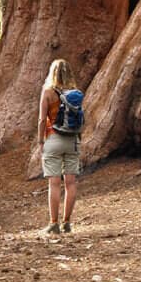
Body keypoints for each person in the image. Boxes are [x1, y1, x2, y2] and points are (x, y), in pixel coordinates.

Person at [37, 58, 81, 234]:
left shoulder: (47, 92)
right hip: (72, 140)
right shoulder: (76, 93)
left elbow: (42, 119)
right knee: (70, 183)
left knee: (54, 183)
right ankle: (67, 222)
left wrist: (40, 141)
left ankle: (54, 223)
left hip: (53, 139)